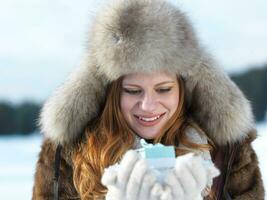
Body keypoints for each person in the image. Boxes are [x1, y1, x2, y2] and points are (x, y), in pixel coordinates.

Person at [32, 0, 265, 199]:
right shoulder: (68, 153)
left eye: (163, 89)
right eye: (133, 91)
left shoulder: (227, 151)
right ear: (113, 93)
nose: (148, 105)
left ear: (183, 89)